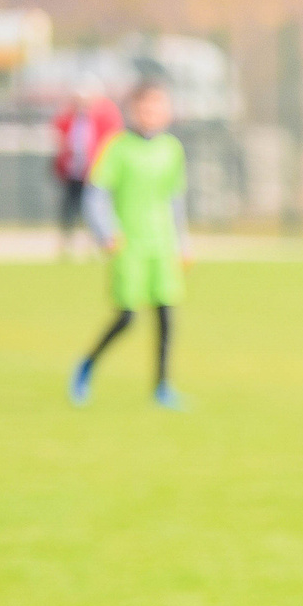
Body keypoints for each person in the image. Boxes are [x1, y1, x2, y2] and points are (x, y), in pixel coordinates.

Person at [70, 81, 189, 410]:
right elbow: (95, 193)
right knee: (127, 317)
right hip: (128, 244)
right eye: (145, 109)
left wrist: (183, 243)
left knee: (166, 314)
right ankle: (87, 363)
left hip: (161, 244)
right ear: (134, 111)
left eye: (158, 108)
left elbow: (175, 200)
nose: (152, 115)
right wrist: (105, 231)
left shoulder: (172, 149)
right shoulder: (118, 148)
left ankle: (162, 387)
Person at [51, 80, 122, 259]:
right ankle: (67, 246)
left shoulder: (105, 116)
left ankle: (97, 244)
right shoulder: (70, 117)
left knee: (94, 210)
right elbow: (60, 135)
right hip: (73, 172)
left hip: (95, 173)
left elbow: (112, 141)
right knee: (69, 210)